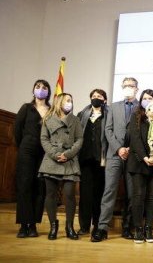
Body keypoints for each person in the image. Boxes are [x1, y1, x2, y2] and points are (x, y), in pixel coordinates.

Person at [92, 77, 139, 242]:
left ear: (136, 89)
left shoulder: (142, 107)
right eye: (125, 85)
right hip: (114, 155)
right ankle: (102, 228)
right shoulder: (113, 107)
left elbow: (142, 133)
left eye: (131, 86)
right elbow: (108, 130)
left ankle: (128, 227)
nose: (128, 88)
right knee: (109, 191)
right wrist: (119, 148)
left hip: (134, 156)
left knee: (132, 193)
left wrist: (130, 149)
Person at [38, 93, 83, 240]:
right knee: (50, 195)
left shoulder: (75, 120)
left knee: (69, 194)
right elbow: (44, 139)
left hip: (69, 160)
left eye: (71, 100)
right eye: (67, 100)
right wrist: (54, 154)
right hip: (52, 160)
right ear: (59, 102)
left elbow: (79, 139)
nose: (70, 103)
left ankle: (69, 227)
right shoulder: (48, 119)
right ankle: (53, 226)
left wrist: (68, 154)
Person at [127, 89, 153, 244]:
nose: (147, 101)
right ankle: (138, 229)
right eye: (144, 98)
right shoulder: (136, 116)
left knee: (152, 197)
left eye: (151, 98)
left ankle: (149, 228)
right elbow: (134, 139)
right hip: (138, 162)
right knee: (138, 196)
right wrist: (144, 157)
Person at [14, 79, 51, 238]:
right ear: (33, 90)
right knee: (24, 185)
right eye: (38, 87)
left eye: (44, 88)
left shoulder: (51, 110)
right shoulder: (26, 108)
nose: (41, 90)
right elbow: (17, 130)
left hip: (44, 152)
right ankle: (23, 224)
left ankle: (33, 224)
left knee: (39, 186)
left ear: (48, 92)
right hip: (27, 150)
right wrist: (24, 145)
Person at [77, 89, 108, 236]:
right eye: (94, 96)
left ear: (104, 100)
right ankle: (84, 226)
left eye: (99, 96)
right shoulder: (82, 115)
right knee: (85, 194)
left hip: (101, 160)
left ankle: (97, 225)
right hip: (85, 159)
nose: (96, 98)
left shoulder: (108, 115)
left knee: (99, 193)